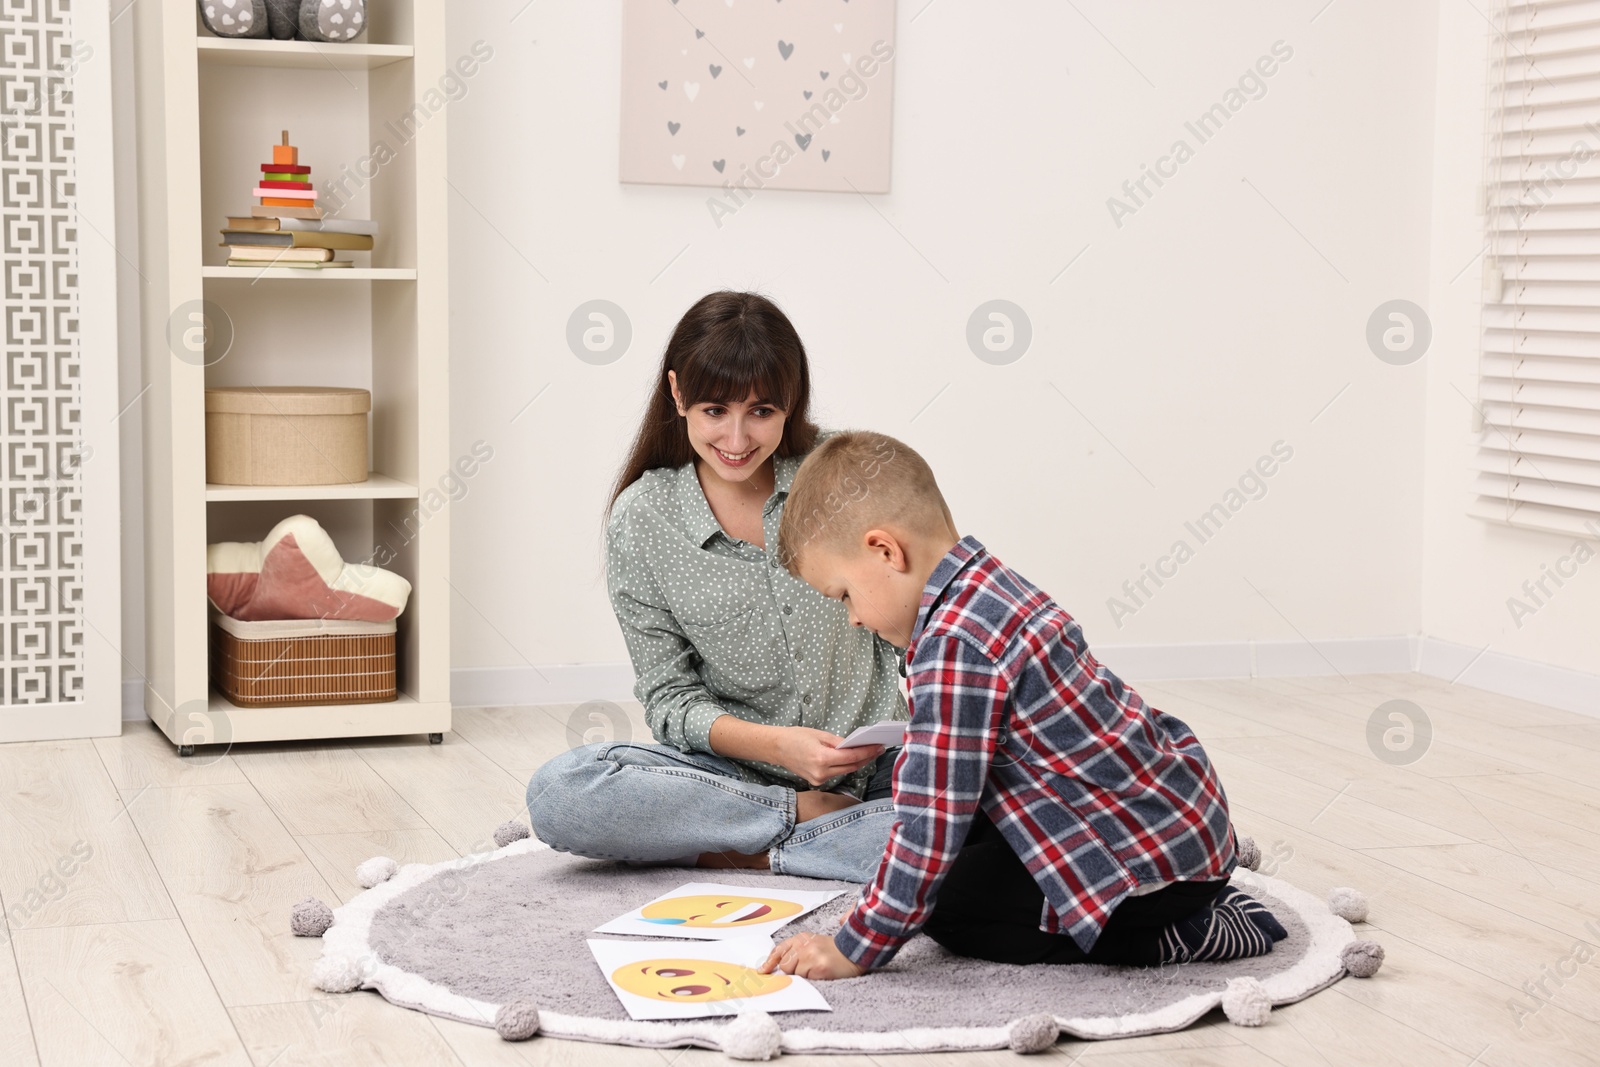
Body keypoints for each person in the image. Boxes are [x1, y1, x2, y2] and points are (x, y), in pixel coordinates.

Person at [759, 430, 1286, 978]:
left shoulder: (955, 645)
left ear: (885, 551)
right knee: (958, 855)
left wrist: (854, 947)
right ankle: (1178, 905)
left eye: (845, 595)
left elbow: (931, 821)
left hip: (1149, 869)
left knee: (944, 905)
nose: (853, 619)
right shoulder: (988, 585)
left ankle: (1175, 935)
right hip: (1179, 824)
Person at [525, 293, 906, 881]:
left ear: (791, 400)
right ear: (678, 395)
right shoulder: (644, 518)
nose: (737, 437)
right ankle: (820, 827)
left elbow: (917, 618)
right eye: (713, 410)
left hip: (885, 767)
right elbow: (670, 700)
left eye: (761, 411)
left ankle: (753, 850)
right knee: (562, 792)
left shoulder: (846, 474)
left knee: (1012, 804)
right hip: (737, 778)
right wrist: (782, 751)